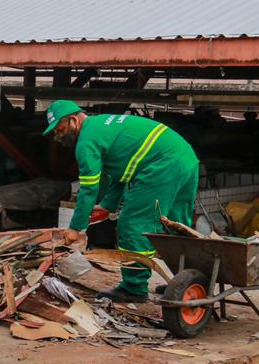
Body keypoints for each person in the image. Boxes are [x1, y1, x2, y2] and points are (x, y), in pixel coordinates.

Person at [45, 100, 199, 302]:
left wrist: (75, 228)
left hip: (162, 165)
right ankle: (188, 280)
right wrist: (107, 206)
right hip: (185, 157)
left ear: (73, 120)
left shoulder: (85, 142)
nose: (59, 136)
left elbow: (89, 189)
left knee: (132, 226)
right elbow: (120, 173)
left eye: (61, 129)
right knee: (177, 225)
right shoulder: (101, 127)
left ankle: (134, 288)